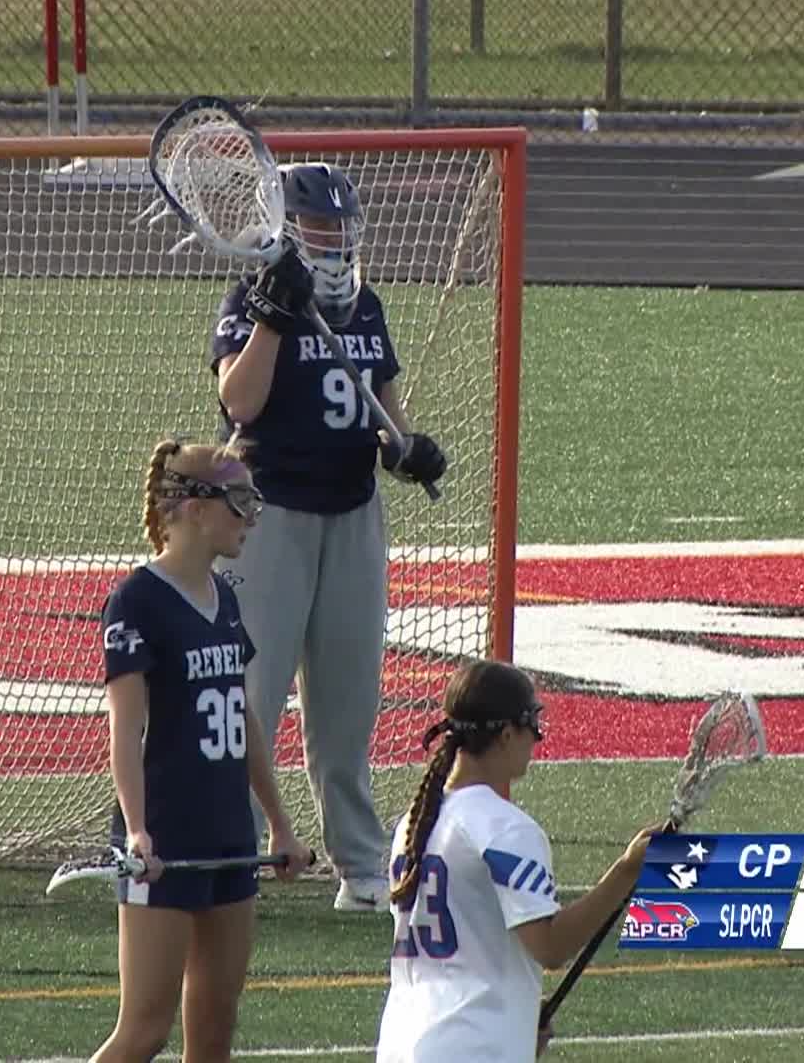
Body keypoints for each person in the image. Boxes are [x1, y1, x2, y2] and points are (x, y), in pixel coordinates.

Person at [211, 162, 450, 912]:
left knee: (349, 701)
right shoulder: (254, 299)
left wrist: (408, 448)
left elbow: (384, 402)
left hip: (353, 514)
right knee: (255, 690)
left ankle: (360, 861)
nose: (332, 241)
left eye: (339, 228)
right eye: (317, 227)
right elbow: (238, 401)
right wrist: (277, 320)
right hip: (270, 513)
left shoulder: (366, 306)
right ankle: (234, 847)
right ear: (282, 227)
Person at [92, 438, 313, 1063]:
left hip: (228, 837)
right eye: (238, 502)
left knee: (214, 1036)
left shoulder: (225, 597)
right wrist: (137, 831)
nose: (250, 517)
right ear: (193, 506)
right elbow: (126, 730)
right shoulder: (136, 601)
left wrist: (278, 823)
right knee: (143, 1032)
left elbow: (244, 721)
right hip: (165, 835)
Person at [374, 659, 655, 1063]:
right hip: (471, 1047)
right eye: (533, 726)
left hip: (403, 1042)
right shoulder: (504, 827)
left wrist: (517, 1024)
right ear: (506, 734)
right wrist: (627, 870)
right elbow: (552, 946)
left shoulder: (414, 824)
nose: (536, 741)